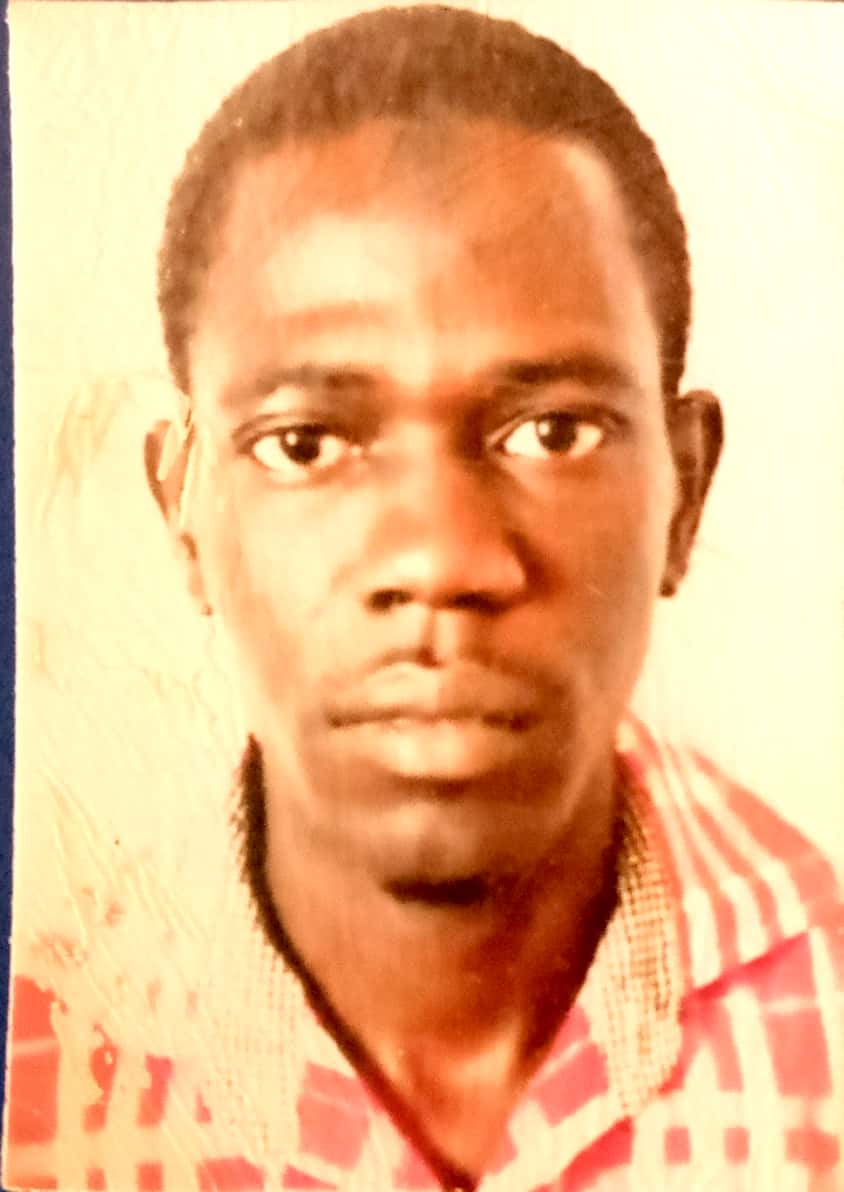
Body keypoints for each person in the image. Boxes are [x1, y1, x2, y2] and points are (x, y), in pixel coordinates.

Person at [4, 6, 842, 1191]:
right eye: (305, 442)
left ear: (684, 490)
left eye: (552, 431)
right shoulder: (46, 1036)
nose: (443, 559)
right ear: (181, 505)